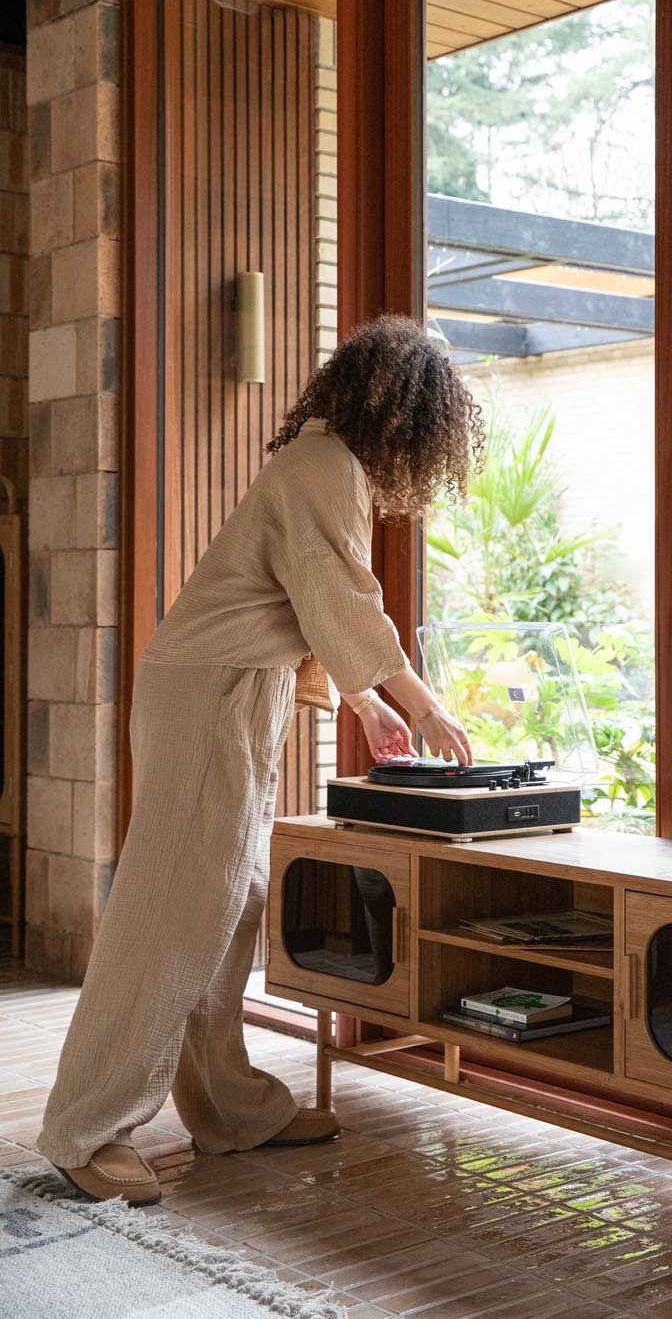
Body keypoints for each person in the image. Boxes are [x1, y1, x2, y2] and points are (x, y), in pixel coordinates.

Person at [37, 315, 481, 1205]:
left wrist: (361, 701)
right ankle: (84, 1126)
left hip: (228, 689)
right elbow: (340, 593)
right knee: (173, 905)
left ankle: (230, 1108)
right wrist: (420, 705)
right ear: (404, 415)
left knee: (229, 900)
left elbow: (300, 593)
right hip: (213, 693)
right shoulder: (325, 467)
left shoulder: (320, 461)